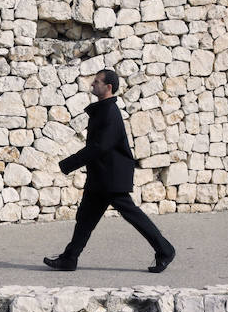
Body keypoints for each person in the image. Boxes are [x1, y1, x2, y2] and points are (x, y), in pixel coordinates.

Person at [44, 69, 176, 273]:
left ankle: (165, 250)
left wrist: (68, 164)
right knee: (85, 219)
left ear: (108, 88)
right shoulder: (103, 110)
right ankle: (69, 259)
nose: (92, 85)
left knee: (133, 216)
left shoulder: (109, 112)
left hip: (111, 178)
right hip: (101, 176)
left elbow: (99, 146)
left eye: (96, 82)